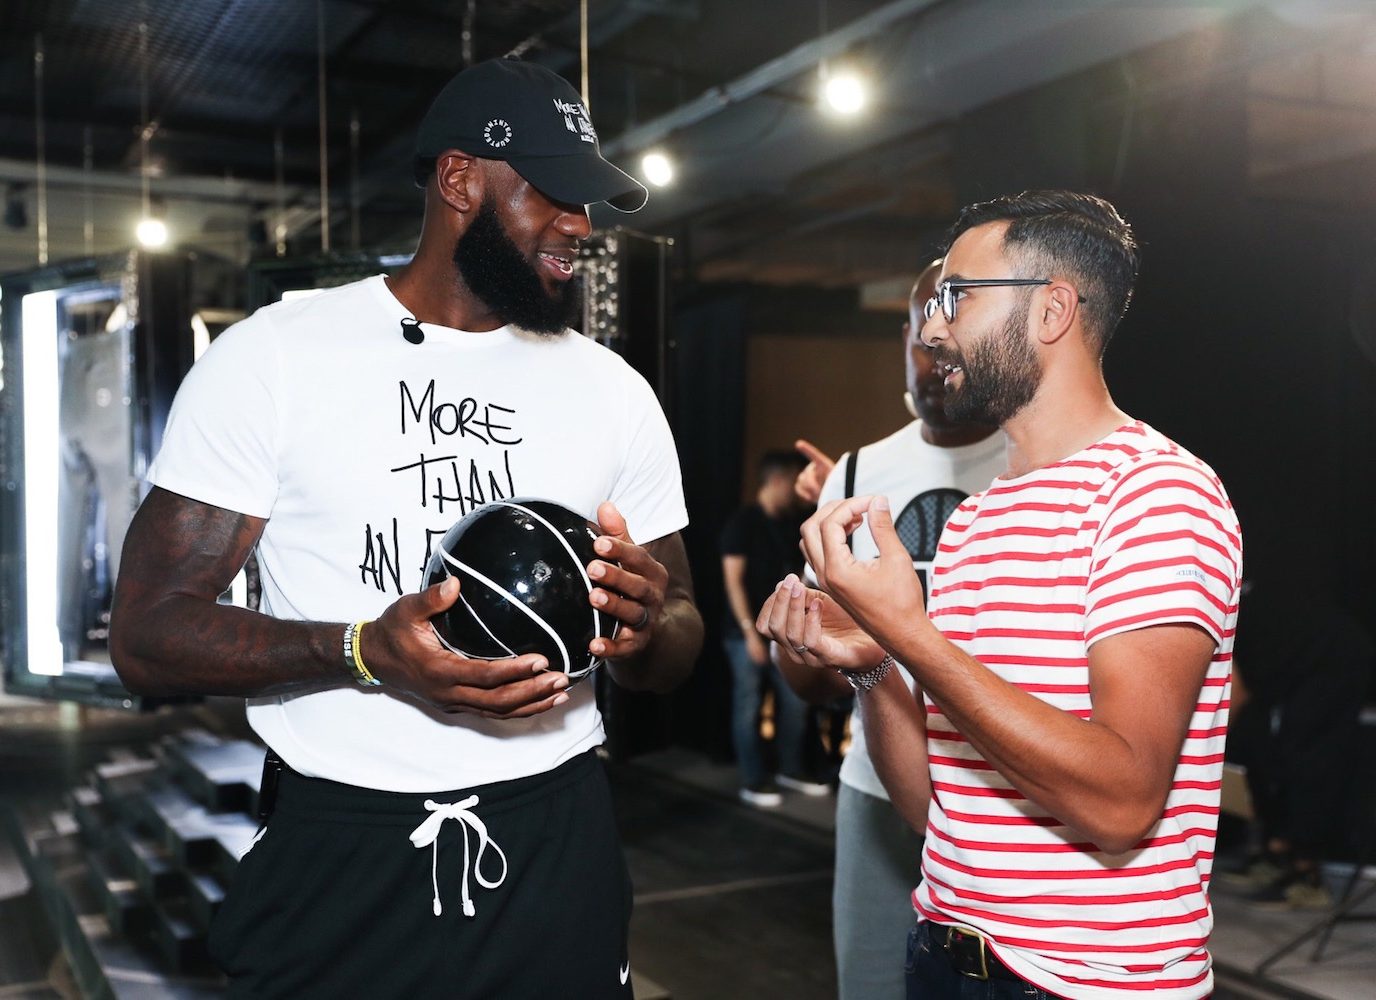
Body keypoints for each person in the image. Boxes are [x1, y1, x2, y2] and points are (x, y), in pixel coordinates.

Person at [109, 57, 703, 1000]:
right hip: (340, 848)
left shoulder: (613, 391)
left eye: (588, 203)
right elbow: (145, 636)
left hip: (556, 838)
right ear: (460, 179)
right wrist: (364, 651)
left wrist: (644, 625)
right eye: (555, 194)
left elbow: (678, 635)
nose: (581, 227)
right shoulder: (274, 360)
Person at [758, 190, 1243, 999]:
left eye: (958, 297)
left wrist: (910, 634)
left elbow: (1122, 803)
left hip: (1086, 983)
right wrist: (874, 663)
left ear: (1052, 310)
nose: (931, 330)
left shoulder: (1156, 495)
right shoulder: (978, 518)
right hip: (946, 956)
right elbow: (938, 814)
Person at [775, 259, 1004, 999]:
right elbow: (813, 680)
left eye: (952, 330)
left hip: (1001, 797)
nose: (936, 353)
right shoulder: (855, 473)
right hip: (876, 785)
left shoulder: (1037, 464)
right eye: (921, 334)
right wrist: (798, 641)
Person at [719, 450, 828, 807]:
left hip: (783, 633)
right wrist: (750, 634)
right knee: (748, 706)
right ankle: (754, 779)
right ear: (778, 480)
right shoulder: (743, 522)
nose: (797, 491)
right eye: (793, 482)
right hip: (744, 633)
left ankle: (790, 769)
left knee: (794, 703)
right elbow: (733, 582)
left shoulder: (790, 522)